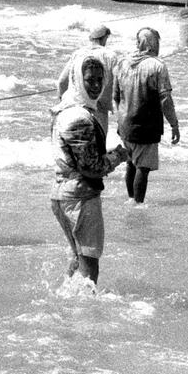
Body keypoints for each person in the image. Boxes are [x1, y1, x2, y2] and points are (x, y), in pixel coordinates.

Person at [50, 57, 129, 284]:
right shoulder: (80, 118)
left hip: (61, 193)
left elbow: (79, 158)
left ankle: (63, 299)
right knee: (90, 263)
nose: (95, 85)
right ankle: (86, 313)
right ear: (77, 79)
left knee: (79, 257)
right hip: (80, 196)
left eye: (99, 80)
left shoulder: (64, 110)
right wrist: (117, 156)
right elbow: (91, 168)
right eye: (89, 80)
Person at [113, 27, 180, 205]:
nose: (159, 47)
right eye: (157, 42)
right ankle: (138, 205)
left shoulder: (122, 63)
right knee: (143, 167)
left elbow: (116, 97)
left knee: (130, 163)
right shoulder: (158, 66)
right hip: (146, 126)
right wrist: (174, 124)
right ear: (151, 44)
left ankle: (130, 199)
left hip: (125, 123)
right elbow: (165, 100)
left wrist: (120, 120)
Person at [57, 25, 118, 129]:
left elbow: (62, 82)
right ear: (105, 38)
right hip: (99, 111)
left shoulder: (78, 53)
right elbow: (118, 87)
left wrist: (63, 102)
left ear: (91, 38)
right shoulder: (110, 56)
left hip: (73, 108)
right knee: (98, 143)